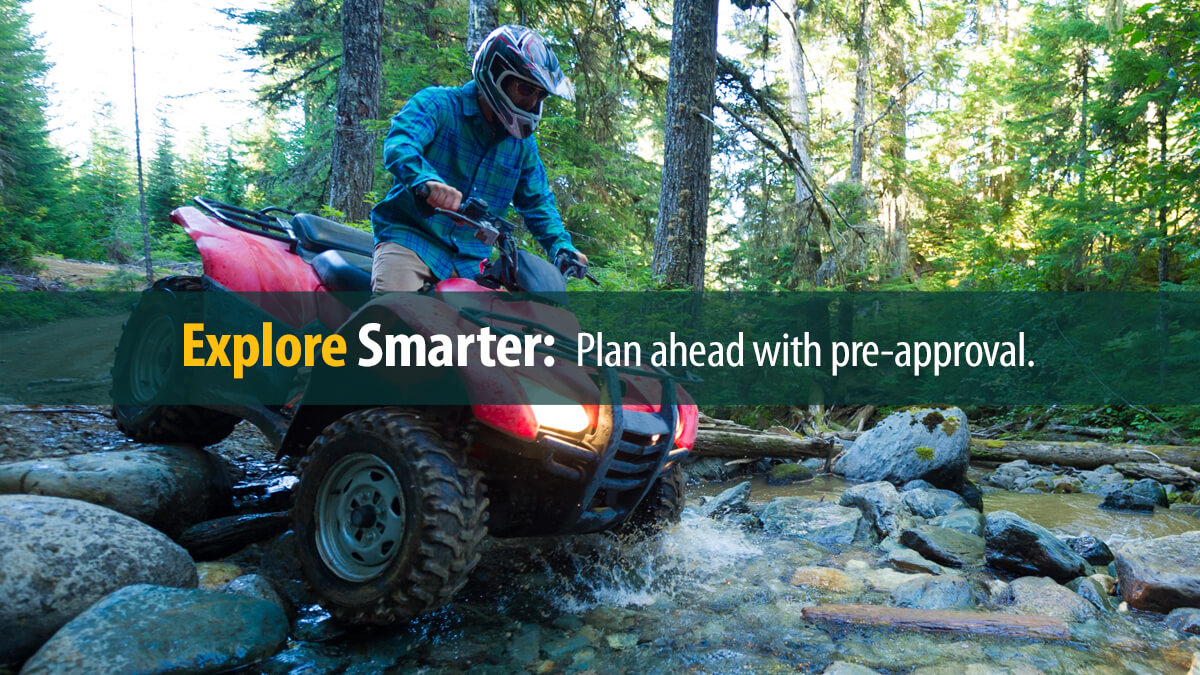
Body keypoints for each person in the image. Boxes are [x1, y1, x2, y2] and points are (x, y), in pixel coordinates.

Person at [370, 25, 588, 292]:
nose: (532, 103)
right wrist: (426, 181)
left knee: (506, 329)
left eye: (539, 95)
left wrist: (561, 246)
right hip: (411, 242)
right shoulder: (437, 105)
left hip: (472, 265)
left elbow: (537, 202)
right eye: (525, 89)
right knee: (394, 315)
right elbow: (400, 144)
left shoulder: (522, 146)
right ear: (496, 75)